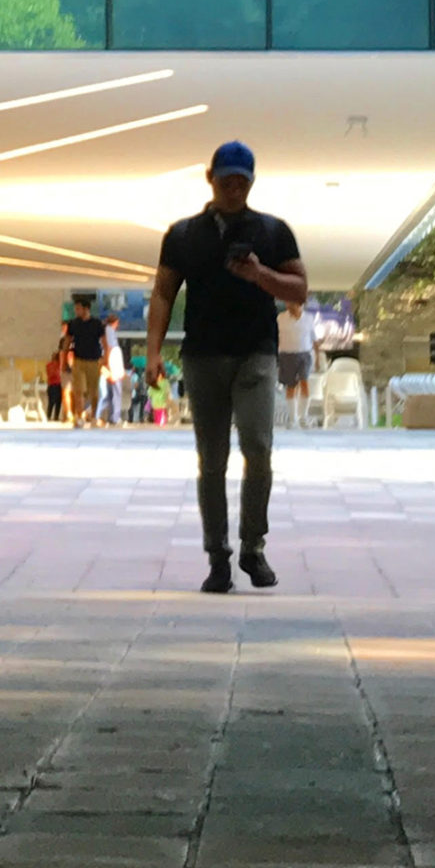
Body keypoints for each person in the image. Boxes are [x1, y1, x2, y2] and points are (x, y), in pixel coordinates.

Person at [147, 141, 307, 594]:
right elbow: (162, 293)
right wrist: (154, 351)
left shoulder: (275, 232)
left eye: (242, 182)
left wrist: (260, 275)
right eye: (225, 181)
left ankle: (253, 546)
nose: (233, 190)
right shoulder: (182, 235)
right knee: (211, 460)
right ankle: (217, 555)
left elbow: (299, 290)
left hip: (255, 353)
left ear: (252, 183)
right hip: (202, 356)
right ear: (210, 179)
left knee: (258, 447)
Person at [65, 294, 105, 429]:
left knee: (94, 392)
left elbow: (104, 342)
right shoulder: (73, 324)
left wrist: (105, 360)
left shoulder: (97, 324)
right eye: (75, 309)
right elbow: (67, 341)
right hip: (78, 360)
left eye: (78, 309)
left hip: (94, 361)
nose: (76, 311)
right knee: (78, 390)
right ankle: (80, 416)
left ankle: (94, 416)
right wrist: (65, 357)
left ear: (86, 309)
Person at [277, 298, 317, 427]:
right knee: (291, 386)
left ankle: (303, 417)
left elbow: (314, 339)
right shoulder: (281, 318)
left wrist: (317, 359)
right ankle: (292, 418)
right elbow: (274, 337)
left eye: (292, 303)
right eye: (288, 303)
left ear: (300, 304)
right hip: (287, 355)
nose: (289, 305)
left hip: (304, 354)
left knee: (304, 383)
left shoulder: (309, 318)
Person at [98, 313, 128, 425]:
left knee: (109, 392)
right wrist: (110, 366)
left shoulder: (107, 330)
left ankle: (112, 415)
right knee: (115, 391)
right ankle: (115, 416)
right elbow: (109, 348)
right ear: (115, 322)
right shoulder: (109, 331)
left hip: (112, 362)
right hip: (113, 363)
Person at [44, 345, 65, 422]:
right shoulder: (52, 365)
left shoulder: (56, 365)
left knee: (57, 402)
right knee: (53, 402)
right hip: (54, 385)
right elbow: (54, 374)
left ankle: (54, 416)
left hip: (57, 385)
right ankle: (50, 416)